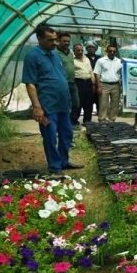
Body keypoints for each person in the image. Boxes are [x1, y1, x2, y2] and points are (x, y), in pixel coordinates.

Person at [22, 24, 84, 178]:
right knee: (50, 137)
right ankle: (55, 168)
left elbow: (62, 78)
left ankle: (64, 161)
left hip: (62, 105)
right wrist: (37, 107)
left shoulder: (55, 55)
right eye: (50, 40)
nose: (55, 43)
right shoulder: (32, 57)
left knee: (67, 134)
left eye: (55, 39)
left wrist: (68, 101)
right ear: (40, 39)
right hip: (47, 106)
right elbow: (30, 83)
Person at [56, 32, 81, 131]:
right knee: (63, 104)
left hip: (72, 82)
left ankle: (72, 121)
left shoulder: (70, 53)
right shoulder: (55, 52)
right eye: (64, 41)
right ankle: (62, 125)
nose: (66, 43)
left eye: (68, 41)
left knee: (76, 103)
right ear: (58, 40)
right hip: (61, 83)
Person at [94, 45, 122, 123]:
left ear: (116, 52)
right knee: (103, 103)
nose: (112, 52)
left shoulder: (119, 61)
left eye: (114, 51)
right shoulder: (101, 61)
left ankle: (112, 119)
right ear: (107, 51)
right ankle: (102, 119)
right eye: (110, 51)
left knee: (115, 104)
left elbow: (123, 73)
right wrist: (98, 87)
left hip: (116, 84)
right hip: (104, 84)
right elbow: (97, 74)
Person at [72, 43, 95, 126]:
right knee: (78, 102)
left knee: (89, 102)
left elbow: (91, 71)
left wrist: (93, 84)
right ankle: (74, 120)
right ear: (74, 50)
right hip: (78, 82)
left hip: (88, 82)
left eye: (81, 50)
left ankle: (87, 120)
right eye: (78, 50)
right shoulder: (72, 60)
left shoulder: (86, 58)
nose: (80, 52)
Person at [85, 41, 101, 116]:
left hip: (99, 83)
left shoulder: (100, 58)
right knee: (88, 102)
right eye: (89, 47)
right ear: (87, 48)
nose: (91, 49)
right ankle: (88, 119)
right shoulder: (84, 58)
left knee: (99, 101)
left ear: (96, 49)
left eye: (93, 47)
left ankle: (100, 118)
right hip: (88, 83)